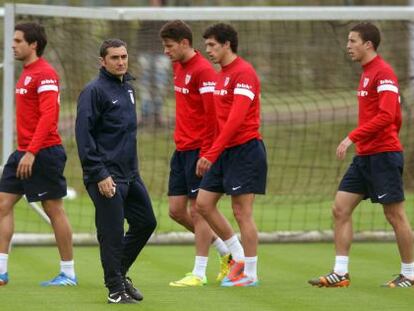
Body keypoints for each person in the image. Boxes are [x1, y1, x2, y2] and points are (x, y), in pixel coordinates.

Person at [308, 22, 414, 288]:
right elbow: (392, 117)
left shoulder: (384, 73)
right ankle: (341, 273)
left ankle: (410, 274)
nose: (348, 46)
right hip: (365, 157)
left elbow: (389, 116)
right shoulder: (366, 73)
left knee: (395, 215)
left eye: (353, 41)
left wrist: (353, 136)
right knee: (340, 208)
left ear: (368, 44)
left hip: (383, 156)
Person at [75, 39, 157, 303]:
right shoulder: (93, 91)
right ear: (103, 61)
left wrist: (132, 171)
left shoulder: (129, 89)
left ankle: (119, 274)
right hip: (105, 175)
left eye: (124, 56)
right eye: (114, 58)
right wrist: (99, 173)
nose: (121, 61)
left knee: (146, 222)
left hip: (130, 174)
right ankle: (115, 289)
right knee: (111, 233)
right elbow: (84, 137)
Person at [0, 22, 77, 287]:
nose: (13, 44)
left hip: (43, 152)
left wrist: (32, 152)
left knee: (54, 208)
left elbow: (49, 116)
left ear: (33, 44)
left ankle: (68, 273)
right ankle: (1, 271)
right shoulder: (26, 73)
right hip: (22, 152)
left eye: (18, 40)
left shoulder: (45, 74)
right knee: (2, 205)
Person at [159, 20, 231, 287]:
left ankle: (198, 273)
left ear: (184, 43)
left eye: (169, 46)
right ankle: (226, 252)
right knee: (176, 211)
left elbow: (214, 117)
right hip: (181, 150)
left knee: (199, 209)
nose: (166, 52)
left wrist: (209, 152)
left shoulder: (204, 72)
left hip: (200, 150)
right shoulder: (178, 66)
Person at [195, 23, 267, 287]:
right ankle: (237, 255)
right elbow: (217, 121)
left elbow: (235, 121)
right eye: (207, 46)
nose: (208, 50)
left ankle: (250, 274)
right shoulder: (220, 75)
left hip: (245, 151)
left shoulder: (244, 73)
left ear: (227, 45)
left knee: (242, 212)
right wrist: (208, 150)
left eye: (212, 45)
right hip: (222, 151)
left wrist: (212, 153)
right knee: (202, 203)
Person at [137, 0, 170, 127]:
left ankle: (157, 115)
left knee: (159, 84)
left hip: (162, 54)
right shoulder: (145, 15)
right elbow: (141, 35)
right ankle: (145, 115)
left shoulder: (168, 16)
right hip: (146, 53)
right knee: (145, 85)